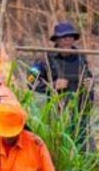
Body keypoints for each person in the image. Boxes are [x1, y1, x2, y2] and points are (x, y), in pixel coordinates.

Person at [27, 21, 94, 152]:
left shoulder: (81, 57)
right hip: (57, 113)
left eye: (71, 37)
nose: (68, 41)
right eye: (64, 37)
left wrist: (90, 84)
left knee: (81, 146)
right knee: (58, 146)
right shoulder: (45, 58)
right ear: (57, 40)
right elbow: (30, 81)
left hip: (79, 112)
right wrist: (51, 86)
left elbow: (89, 77)